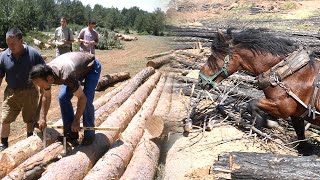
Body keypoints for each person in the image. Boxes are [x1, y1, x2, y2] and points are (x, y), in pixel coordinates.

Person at [29, 52, 101, 146]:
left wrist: (76, 120)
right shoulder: (45, 73)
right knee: (63, 98)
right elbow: (46, 96)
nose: (40, 87)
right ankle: (70, 133)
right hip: (75, 69)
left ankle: (89, 135)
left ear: (50, 79)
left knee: (86, 100)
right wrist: (42, 118)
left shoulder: (66, 76)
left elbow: (82, 98)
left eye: (41, 85)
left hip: (91, 67)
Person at [0, 28, 45, 151]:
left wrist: (43, 92)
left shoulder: (34, 54)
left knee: (29, 119)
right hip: (11, 93)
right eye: (8, 44)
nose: (10, 46)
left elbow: (43, 74)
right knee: (5, 119)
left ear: (21, 40)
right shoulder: (4, 56)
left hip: (30, 92)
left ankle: (29, 142)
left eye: (13, 44)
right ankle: (3, 145)